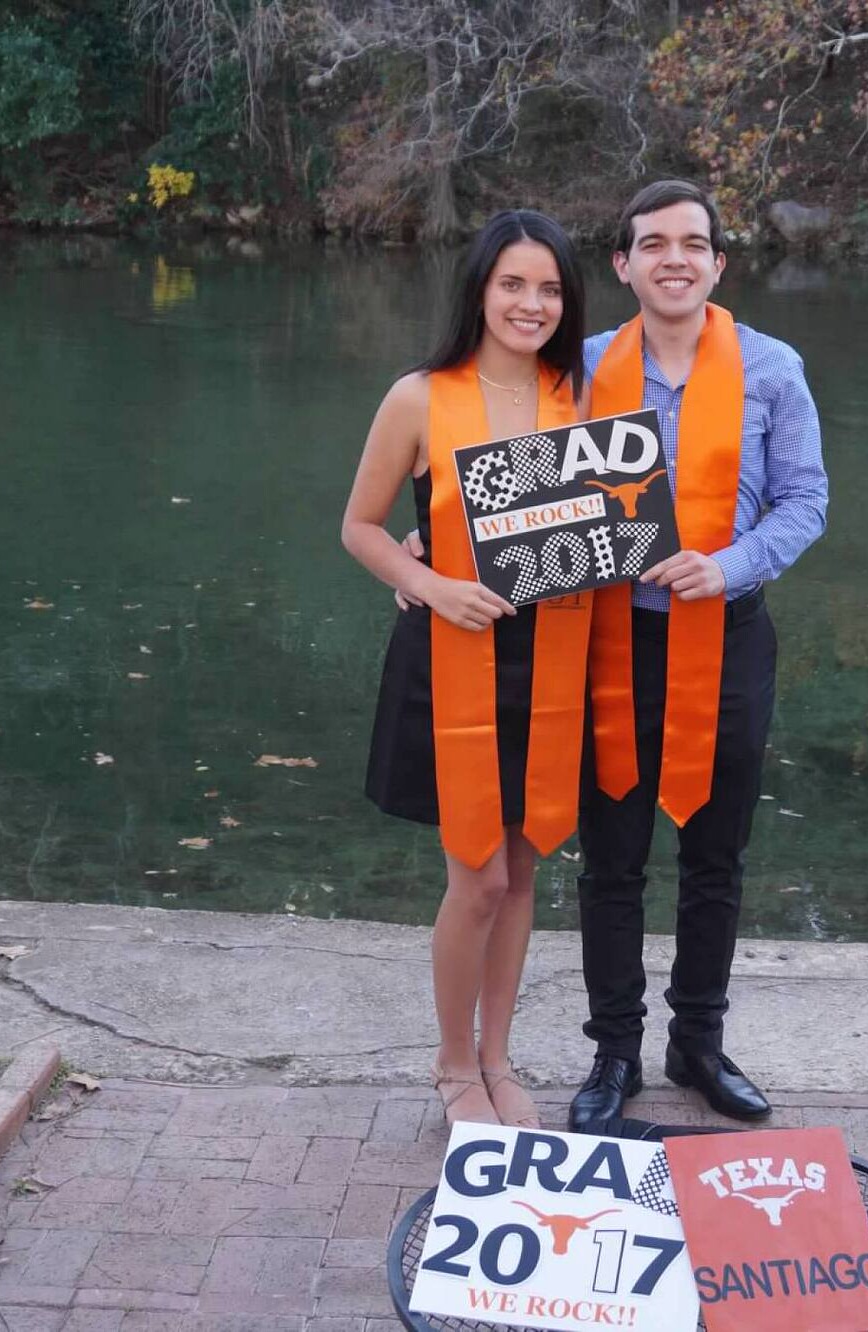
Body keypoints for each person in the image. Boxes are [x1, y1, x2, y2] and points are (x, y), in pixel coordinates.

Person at [568, 180, 828, 1132]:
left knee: (716, 856)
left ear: (718, 263)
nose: (673, 257)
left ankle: (700, 1044)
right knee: (611, 860)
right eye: (653, 243)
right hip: (610, 639)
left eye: (693, 243)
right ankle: (613, 1054)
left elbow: (805, 502)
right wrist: (434, 548)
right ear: (624, 264)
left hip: (730, 636)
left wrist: (725, 567)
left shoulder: (772, 367)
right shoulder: (585, 369)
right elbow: (515, 488)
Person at [342, 211, 591, 1128]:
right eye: (513, 284)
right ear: (480, 288)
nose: (531, 304)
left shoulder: (585, 396)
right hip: (454, 652)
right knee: (477, 879)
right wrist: (431, 583)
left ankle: (499, 1059)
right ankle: (453, 1067)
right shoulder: (419, 396)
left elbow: (610, 517)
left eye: (550, 289)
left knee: (523, 876)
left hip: (555, 656)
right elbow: (361, 527)